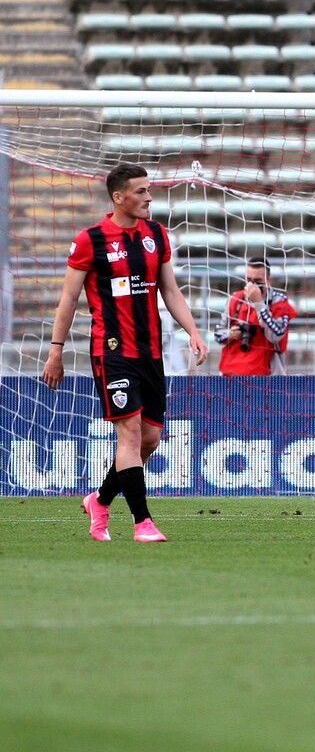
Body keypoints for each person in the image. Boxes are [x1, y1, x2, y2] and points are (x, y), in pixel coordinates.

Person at [41, 162, 209, 542]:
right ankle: (142, 522)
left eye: (149, 190)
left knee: (149, 440)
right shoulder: (91, 240)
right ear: (119, 197)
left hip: (150, 351)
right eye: (141, 191)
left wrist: (193, 331)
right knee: (129, 435)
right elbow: (68, 299)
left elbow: (170, 290)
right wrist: (56, 351)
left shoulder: (156, 235)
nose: (149, 197)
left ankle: (99, 500)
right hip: (111, 349)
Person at [214, 258, 296, 376]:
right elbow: (217, 335)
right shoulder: (236, 298)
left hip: (267, 377)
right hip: (231, 374)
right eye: (249, 280)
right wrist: (230, 334)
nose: (253, 285)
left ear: (269, 280)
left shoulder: (279, 301)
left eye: (258, 281)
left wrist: (259, 303)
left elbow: (276, 335)